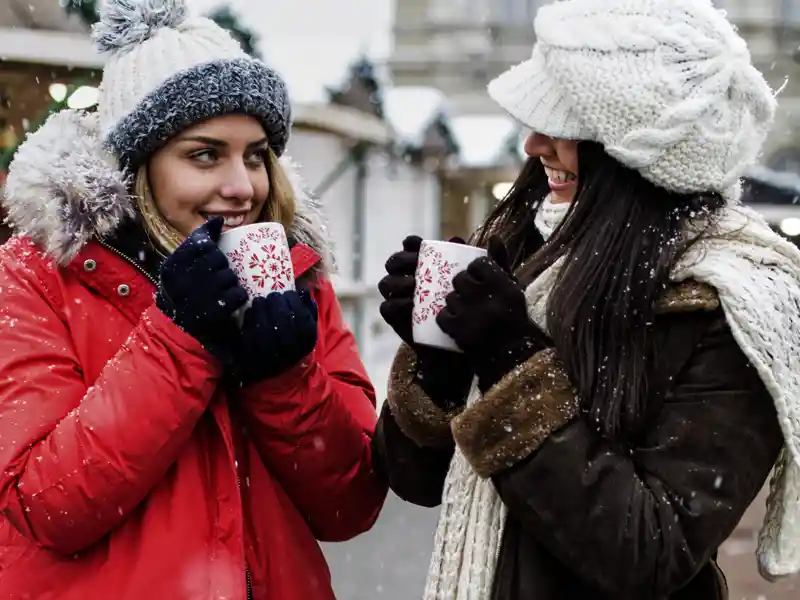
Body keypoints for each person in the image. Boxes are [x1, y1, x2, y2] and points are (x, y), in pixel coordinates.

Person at [372, 0, 800, 598]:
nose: (532, 143)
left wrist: (509, 360)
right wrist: (440, 363)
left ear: (632, 152)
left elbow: (650, 553)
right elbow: (415, 481)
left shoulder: (728, 306)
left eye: (562, 122)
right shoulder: (530, 247)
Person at [0, 0, 386, 598]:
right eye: (204, 154)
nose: (241, 187)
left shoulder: (292, 274)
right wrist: (178, 336)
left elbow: (351, 504)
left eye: (256, 156)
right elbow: (47, 506)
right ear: (137, 167)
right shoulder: (39, 275)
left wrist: (284, 378)